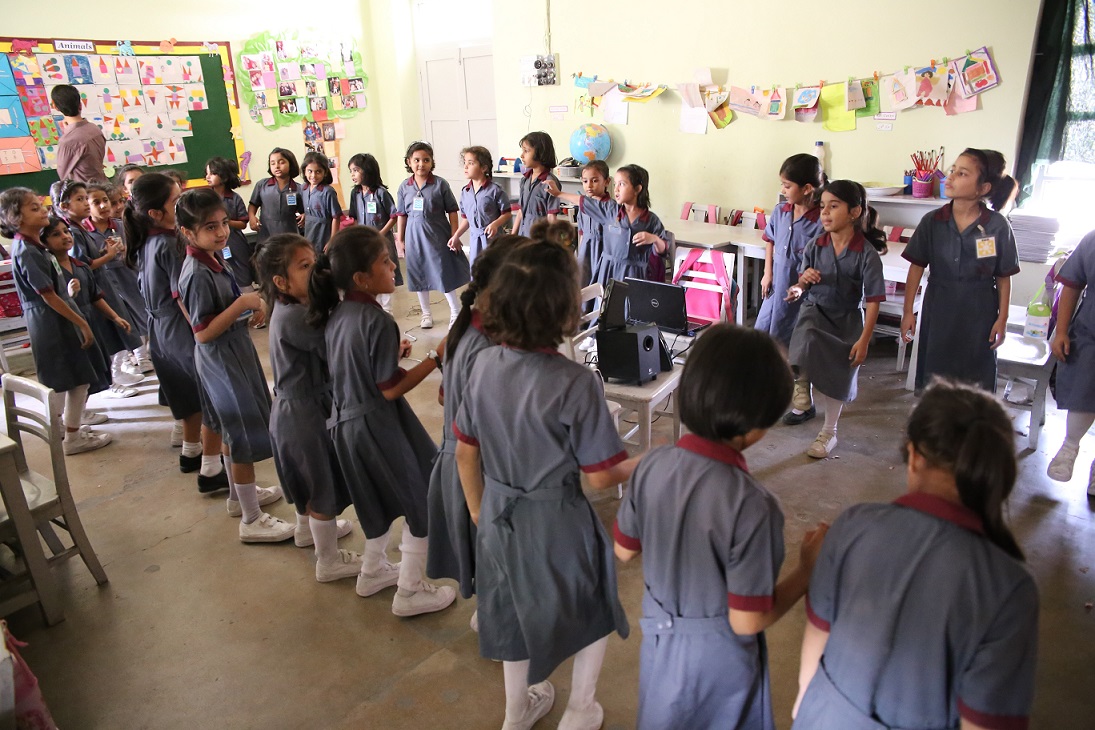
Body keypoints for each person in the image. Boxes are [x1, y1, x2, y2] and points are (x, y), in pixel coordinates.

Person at [454, 239, 638, 730]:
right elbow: (600, 475)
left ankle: (516, 712)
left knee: (510, 611)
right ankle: (581, 709)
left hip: (498, 510)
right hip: (558, 517)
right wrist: (645, 463)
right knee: (591, 602)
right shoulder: (576, 382)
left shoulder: (481, 365)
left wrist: (480, 512)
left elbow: (465, 453)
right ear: (566, 308)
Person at [615, 324, 827, 729]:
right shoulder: (754, 506)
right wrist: (806, 571)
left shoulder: (652, 466)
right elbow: (747, 620)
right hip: (718, 665)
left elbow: (624, 550)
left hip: (660, 645)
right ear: (758, 426)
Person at [792, 381, 1038, 730]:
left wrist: (803, 711)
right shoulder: (1008, 587)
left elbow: (815, 650)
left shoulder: (851, 527)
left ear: (915, 458)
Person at [308, 226, 455, 616]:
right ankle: (409, 591)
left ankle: (372, 571)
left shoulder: (339, 313)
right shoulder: (378, 320)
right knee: (423, 499)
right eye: (386, 262)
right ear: (361, 278)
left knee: (375, 501)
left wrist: (391, 353)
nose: (394, 267)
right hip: (377, 425)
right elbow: (390, 389)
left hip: (347, 424)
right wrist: (436, 357)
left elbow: (361, 367)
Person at [176, 188, 290, 542]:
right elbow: (202, 333)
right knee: (241, 433)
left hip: (233, 350)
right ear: (188, 233)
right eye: (210, 227)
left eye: (224, 223)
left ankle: (239, 498)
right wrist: (242, 304)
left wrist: (242, 310)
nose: (222, 232)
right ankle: (252, 520)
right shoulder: (196, 272)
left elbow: (213, 309)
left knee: (231, 430)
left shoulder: (212, 258)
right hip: (221, 359)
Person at [427, 234, 528, 614]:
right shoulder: (489, 348)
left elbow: (445, 398)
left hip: (461, 462)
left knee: (490, 564)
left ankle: (491, 617)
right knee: (496, 564)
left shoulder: (467, 328)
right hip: (479, 472)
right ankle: (496, 626)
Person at [124, 174, 230, 492]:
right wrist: (202, 334)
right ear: (155, 213)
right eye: (175, 201)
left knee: (186, 394)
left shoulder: (146, 240)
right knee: (212, 395)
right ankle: (211, 469)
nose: (182, 203)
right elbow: (181, 296)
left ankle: (191, 451)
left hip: (159, 330)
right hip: (180, 327)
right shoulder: (172, 243)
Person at [256, 234, 356, 572]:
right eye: (304, 266)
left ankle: (306, 530)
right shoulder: (295, 317)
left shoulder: (292, 308)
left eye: (314, 262)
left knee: (309, 477)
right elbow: (337, 352)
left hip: (301, 406)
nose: (316, 270)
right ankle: (328, 560)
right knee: (320, 484)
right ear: (281, 282)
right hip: (303, 413)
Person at [901, 148, 1020, 392]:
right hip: (939, 305)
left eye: (962, 173)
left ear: (983, 188)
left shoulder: (997, 226)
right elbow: (916, 267)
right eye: (952, 170)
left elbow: (1003, 277)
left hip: (980, 310)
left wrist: (1002, 318)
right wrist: (908, 312)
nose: (951, 177)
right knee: (935, 369)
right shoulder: (932, 221)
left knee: (975, 373)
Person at [0, 188, 108, 454]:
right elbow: (47, 296)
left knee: (71, 378)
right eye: (34, 208)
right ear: (15, 217)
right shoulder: (27, 250)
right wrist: (82, 322)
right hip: (51, 321)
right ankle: (72, 437)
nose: (43, 210)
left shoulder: (37, 246)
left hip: (55, 317)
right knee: (75, 379)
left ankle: (66, 429)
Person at [784, 181, 887, 459]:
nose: (825, 213)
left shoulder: (866, 254)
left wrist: (864, 340)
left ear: (855, 212)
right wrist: (799, 286)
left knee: (839, 376)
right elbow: (801, 282)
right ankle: (802, 386)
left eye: (833, 206)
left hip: (847, 318)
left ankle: (829, 431)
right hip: (816, 310)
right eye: (822, 207)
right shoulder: (815, 245)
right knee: (805, 337)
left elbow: (874, 300)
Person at [52, 179, 143, 398]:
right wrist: (109, 256)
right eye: (80, 199)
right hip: (90, 290)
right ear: (64, 206)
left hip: (100, 286)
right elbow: (82, 265)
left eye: (86, 198)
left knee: (117, 327)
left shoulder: (80, 228)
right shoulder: (72, 232)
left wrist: (105, 253)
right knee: (105, 333)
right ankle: (111, 380)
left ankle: (117, 371)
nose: (86, 203)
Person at [546, 164, 668, 284]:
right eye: (615, 184)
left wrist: (654, 239)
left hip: (636, 275)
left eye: (622, 184)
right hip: (609, 272)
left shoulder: (651, 220)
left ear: (637, 189)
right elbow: (583, 201)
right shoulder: (609, 211)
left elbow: (664, 249)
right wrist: (559, 194)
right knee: (606, 297)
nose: (616, 189)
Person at [756, 153, 826, 353]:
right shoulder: (781, 211)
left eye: (787, 186)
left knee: (789, 334)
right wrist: (767, 273)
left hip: (800, 287)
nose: (783, 190)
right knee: (762, 329)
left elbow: (821, 261)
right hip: (775, 283)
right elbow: (769, 240)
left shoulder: (821, 221)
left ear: (806, 189)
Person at [393, 141, 467, 330]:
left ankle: (455, 311)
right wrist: (400, 239)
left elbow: (452, 211)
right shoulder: (404, 187)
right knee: (419, 274)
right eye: (416, 160)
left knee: (443, 271)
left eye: (426, 160)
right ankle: (426, 313)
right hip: (414, 236)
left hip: (437, 234)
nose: (421, 164)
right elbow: (401, 214)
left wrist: (454, 235)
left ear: (432, 161)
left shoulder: (440, 184)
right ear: (409, 162)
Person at [85, 181, 152, 380]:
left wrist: (125, 251)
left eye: (105, 200)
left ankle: (143, 356)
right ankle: (124, 363)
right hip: (103, 280)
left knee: (140, 313)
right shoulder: (85, 232)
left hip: (127, 275)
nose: (103, 205)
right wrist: (106, 255)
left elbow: (138, 250)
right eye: (96, 202)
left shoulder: (120, 226)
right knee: (118, 320)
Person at [1047, 229, 1095, 496]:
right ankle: (1069, 447)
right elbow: (1072, 285)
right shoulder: (1092, 240)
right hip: (1090, 333)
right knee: (1083, 393)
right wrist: (1061, 331)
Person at [347, 153, 401, 313]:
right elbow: (354, 217)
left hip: (382, 241)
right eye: (351, 171)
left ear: (367, 170)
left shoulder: (381, 193)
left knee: (384, 272)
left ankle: (387, 310)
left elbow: (394, 216)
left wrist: (380, 234)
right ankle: (375, 307)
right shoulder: (355, 194)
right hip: (364, 243)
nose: (352, 175)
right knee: (369, 272)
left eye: (356, 170)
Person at [447, 146, 512, 267]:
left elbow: (507, 213)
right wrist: (456, 236)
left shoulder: (495, 190)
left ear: (483, 168)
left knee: (494, 269)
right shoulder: (465, 192)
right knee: (477, 269)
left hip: (493, 240)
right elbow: (466, 219)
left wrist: (495, 224)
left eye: (471, 163)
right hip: (475, 239)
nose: (466, 167)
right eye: (465, 162)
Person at [204, 156, 255, 289]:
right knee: (222, 272)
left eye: (212, 173)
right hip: (215, 243)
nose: (207, 177)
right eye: (207, 173)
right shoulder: (206, 198)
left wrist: (225, 222)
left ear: (224, 176)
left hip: (235, 242)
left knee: (242, 274)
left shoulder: (235, 198)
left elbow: (243, 224)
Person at [50, 84, 106, 183]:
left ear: (54, 106)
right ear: (80, 104)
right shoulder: (95, 129)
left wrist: (68, 133)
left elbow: (63, 175)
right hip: (103, 185)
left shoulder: (67, 141)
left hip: (85, 190)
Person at [248, 148, 304, 242]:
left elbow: (304, 210)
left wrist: (304, 215)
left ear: (291, 164)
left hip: (290, 234)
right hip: (266, 233)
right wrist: (251, 217)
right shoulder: (262, 185)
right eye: (272, 163)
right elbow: (253, 204)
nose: (277, 166)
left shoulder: (299, 189)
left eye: (281, 162)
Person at [510, 132, 560, 237]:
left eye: (526, 151)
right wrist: (512, 235)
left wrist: (553, 242)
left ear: (540, 153)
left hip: (539, 239)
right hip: (523, 237)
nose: (522, 155)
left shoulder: (550, 182)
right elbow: (520, 211)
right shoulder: (524, 180)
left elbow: (551, 217)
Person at [300, 151, 342, 253]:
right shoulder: (303, 188)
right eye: (310, 171)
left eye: (318, 172)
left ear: (325, 172)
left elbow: (336, 217)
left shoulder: (328, 191)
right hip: (309, 233)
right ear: (304, 171)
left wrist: (332, 240)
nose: (313, 175)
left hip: (324, 234)